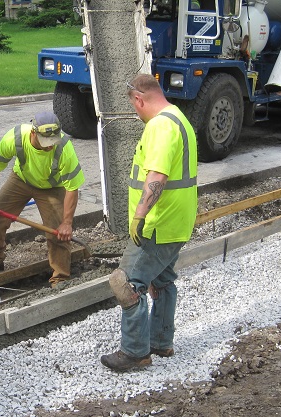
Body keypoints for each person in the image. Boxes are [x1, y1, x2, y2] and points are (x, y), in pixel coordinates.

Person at [100, 74, 198, 371]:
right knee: (163, 281)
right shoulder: (178, 116)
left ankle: (134, 352)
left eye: (134, 107)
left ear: (139, 99)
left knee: (125, 283)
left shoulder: (160, 126)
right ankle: (160, 341)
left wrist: (140, 215)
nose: (135, 113)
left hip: (156, 223)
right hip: (176, 222)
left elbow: (156, 177)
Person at [0, 111, 85, 287]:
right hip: (21, 179)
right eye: (45, 142)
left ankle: (60, 278)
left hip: (52, 187)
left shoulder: (64, 148)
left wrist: (67, 223)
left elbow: (72, 188)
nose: (49, 147)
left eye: (52, 142)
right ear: (33, 133)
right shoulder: (14, 138)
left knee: (57, 232)